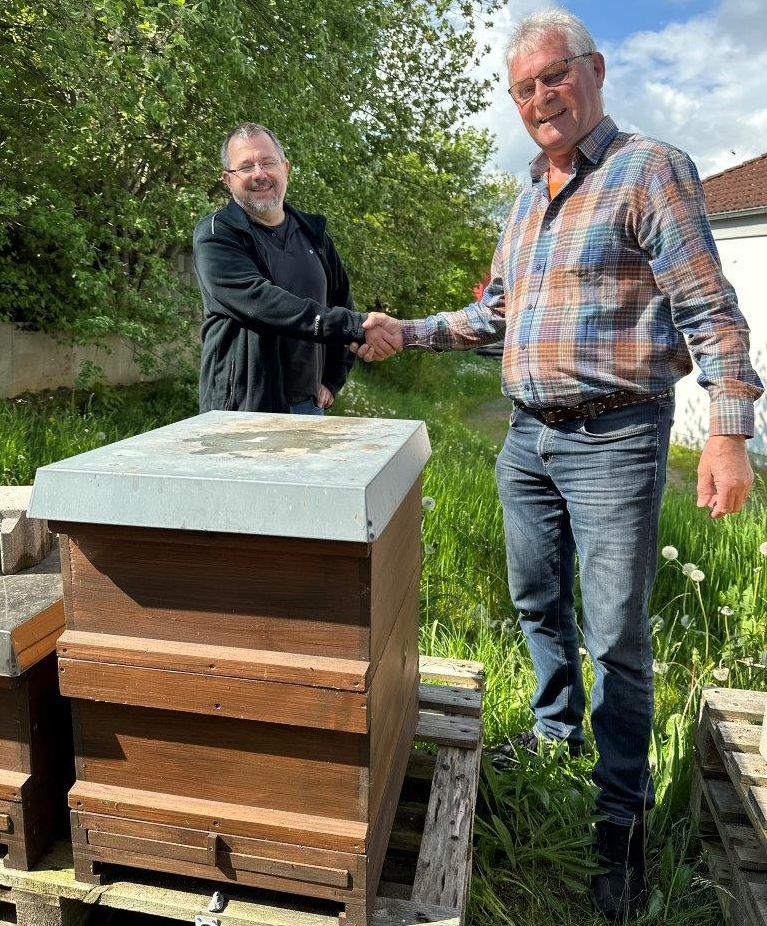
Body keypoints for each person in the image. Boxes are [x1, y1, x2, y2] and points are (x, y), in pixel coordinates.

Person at [356, 9, 763, 920]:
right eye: (523, 89)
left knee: (615, 633)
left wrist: (729, 432)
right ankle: (552, 739)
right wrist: (406, 333)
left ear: (595, 70)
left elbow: (711, 311)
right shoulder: (526, 193)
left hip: (616, 438)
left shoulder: (647, 169)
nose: (540, 99)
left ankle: (618, 823)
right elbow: (493, 314)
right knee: (536, 597)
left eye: (553, 77)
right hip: (527, 436)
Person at [195, 123, 371, 415]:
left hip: (308, 406)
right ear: (228, 179)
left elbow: (341, 301)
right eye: (246, 167)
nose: (259, 174)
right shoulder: (217, 234)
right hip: (242, 411)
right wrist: (356, 326)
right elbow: (263, 303)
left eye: (267, 162)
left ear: (285, 168)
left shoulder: (313, 234)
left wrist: (332, 379)